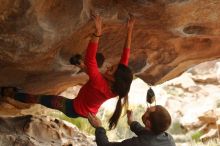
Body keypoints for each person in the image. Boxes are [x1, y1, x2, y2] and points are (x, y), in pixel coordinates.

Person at [1, 14, 135, 130]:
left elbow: (91, 60)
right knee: (94, 74)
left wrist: (97, 33)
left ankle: (11, 94)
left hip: (73, 108)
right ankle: (79, 64)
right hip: (89, 109)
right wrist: (129, 30)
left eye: (111, 70)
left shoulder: (100, 84)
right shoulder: (118, 84)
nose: (108, 67)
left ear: (113, 79)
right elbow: (125, 56)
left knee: (40, 99)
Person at [88, 105, 176, 146]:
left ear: (148, 123)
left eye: (148, 111)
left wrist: (99, 127)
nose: (147, 108)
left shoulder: (138, 144)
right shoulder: (169, 139)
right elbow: (146, 134)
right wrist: (131, 122)